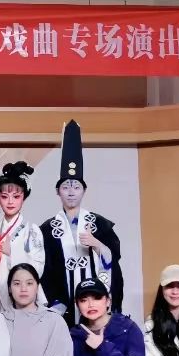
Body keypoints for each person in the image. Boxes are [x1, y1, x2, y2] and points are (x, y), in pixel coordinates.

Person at [42, 121, 122, 324]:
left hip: (94, 300)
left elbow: (114, 263)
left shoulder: (100, 224)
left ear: (84, 191)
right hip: (63, 305)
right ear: (57, 191)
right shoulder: (47, 230)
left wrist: (97, 244)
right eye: (65, 187)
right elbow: (45, 270)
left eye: (76, 187)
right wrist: (56, 302)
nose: (71, 192)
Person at [0, 162, 47, 308]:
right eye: (4, 196)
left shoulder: (31, 230)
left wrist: (12, 254)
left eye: (16, 196)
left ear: (24, 197)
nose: (10, 202)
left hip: (22, 293)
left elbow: (38, 268)